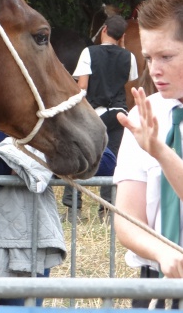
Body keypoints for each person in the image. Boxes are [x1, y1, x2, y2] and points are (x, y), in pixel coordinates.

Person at [0, 119, 116, 306]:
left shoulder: (55, 116)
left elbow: (105, 162)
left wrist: (39, 168)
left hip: (31, 245)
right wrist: (9, 168)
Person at [113, 0, 183, 309]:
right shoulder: (144, 113)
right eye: (149, 57)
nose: (154, 69)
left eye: (166, 57)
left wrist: (161, 154)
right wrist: (160, 252)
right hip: (152, 288)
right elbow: (127, 218)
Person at [63, 14, 138, 220]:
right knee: (113, 161)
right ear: (122, 36)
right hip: (118, 115)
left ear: (103, 29)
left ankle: (73, 209)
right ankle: (107, 211)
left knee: (80, 157)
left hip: (94, 115)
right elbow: (128, 81)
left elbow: (82, 87)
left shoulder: (89, 52)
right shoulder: (129, 57)